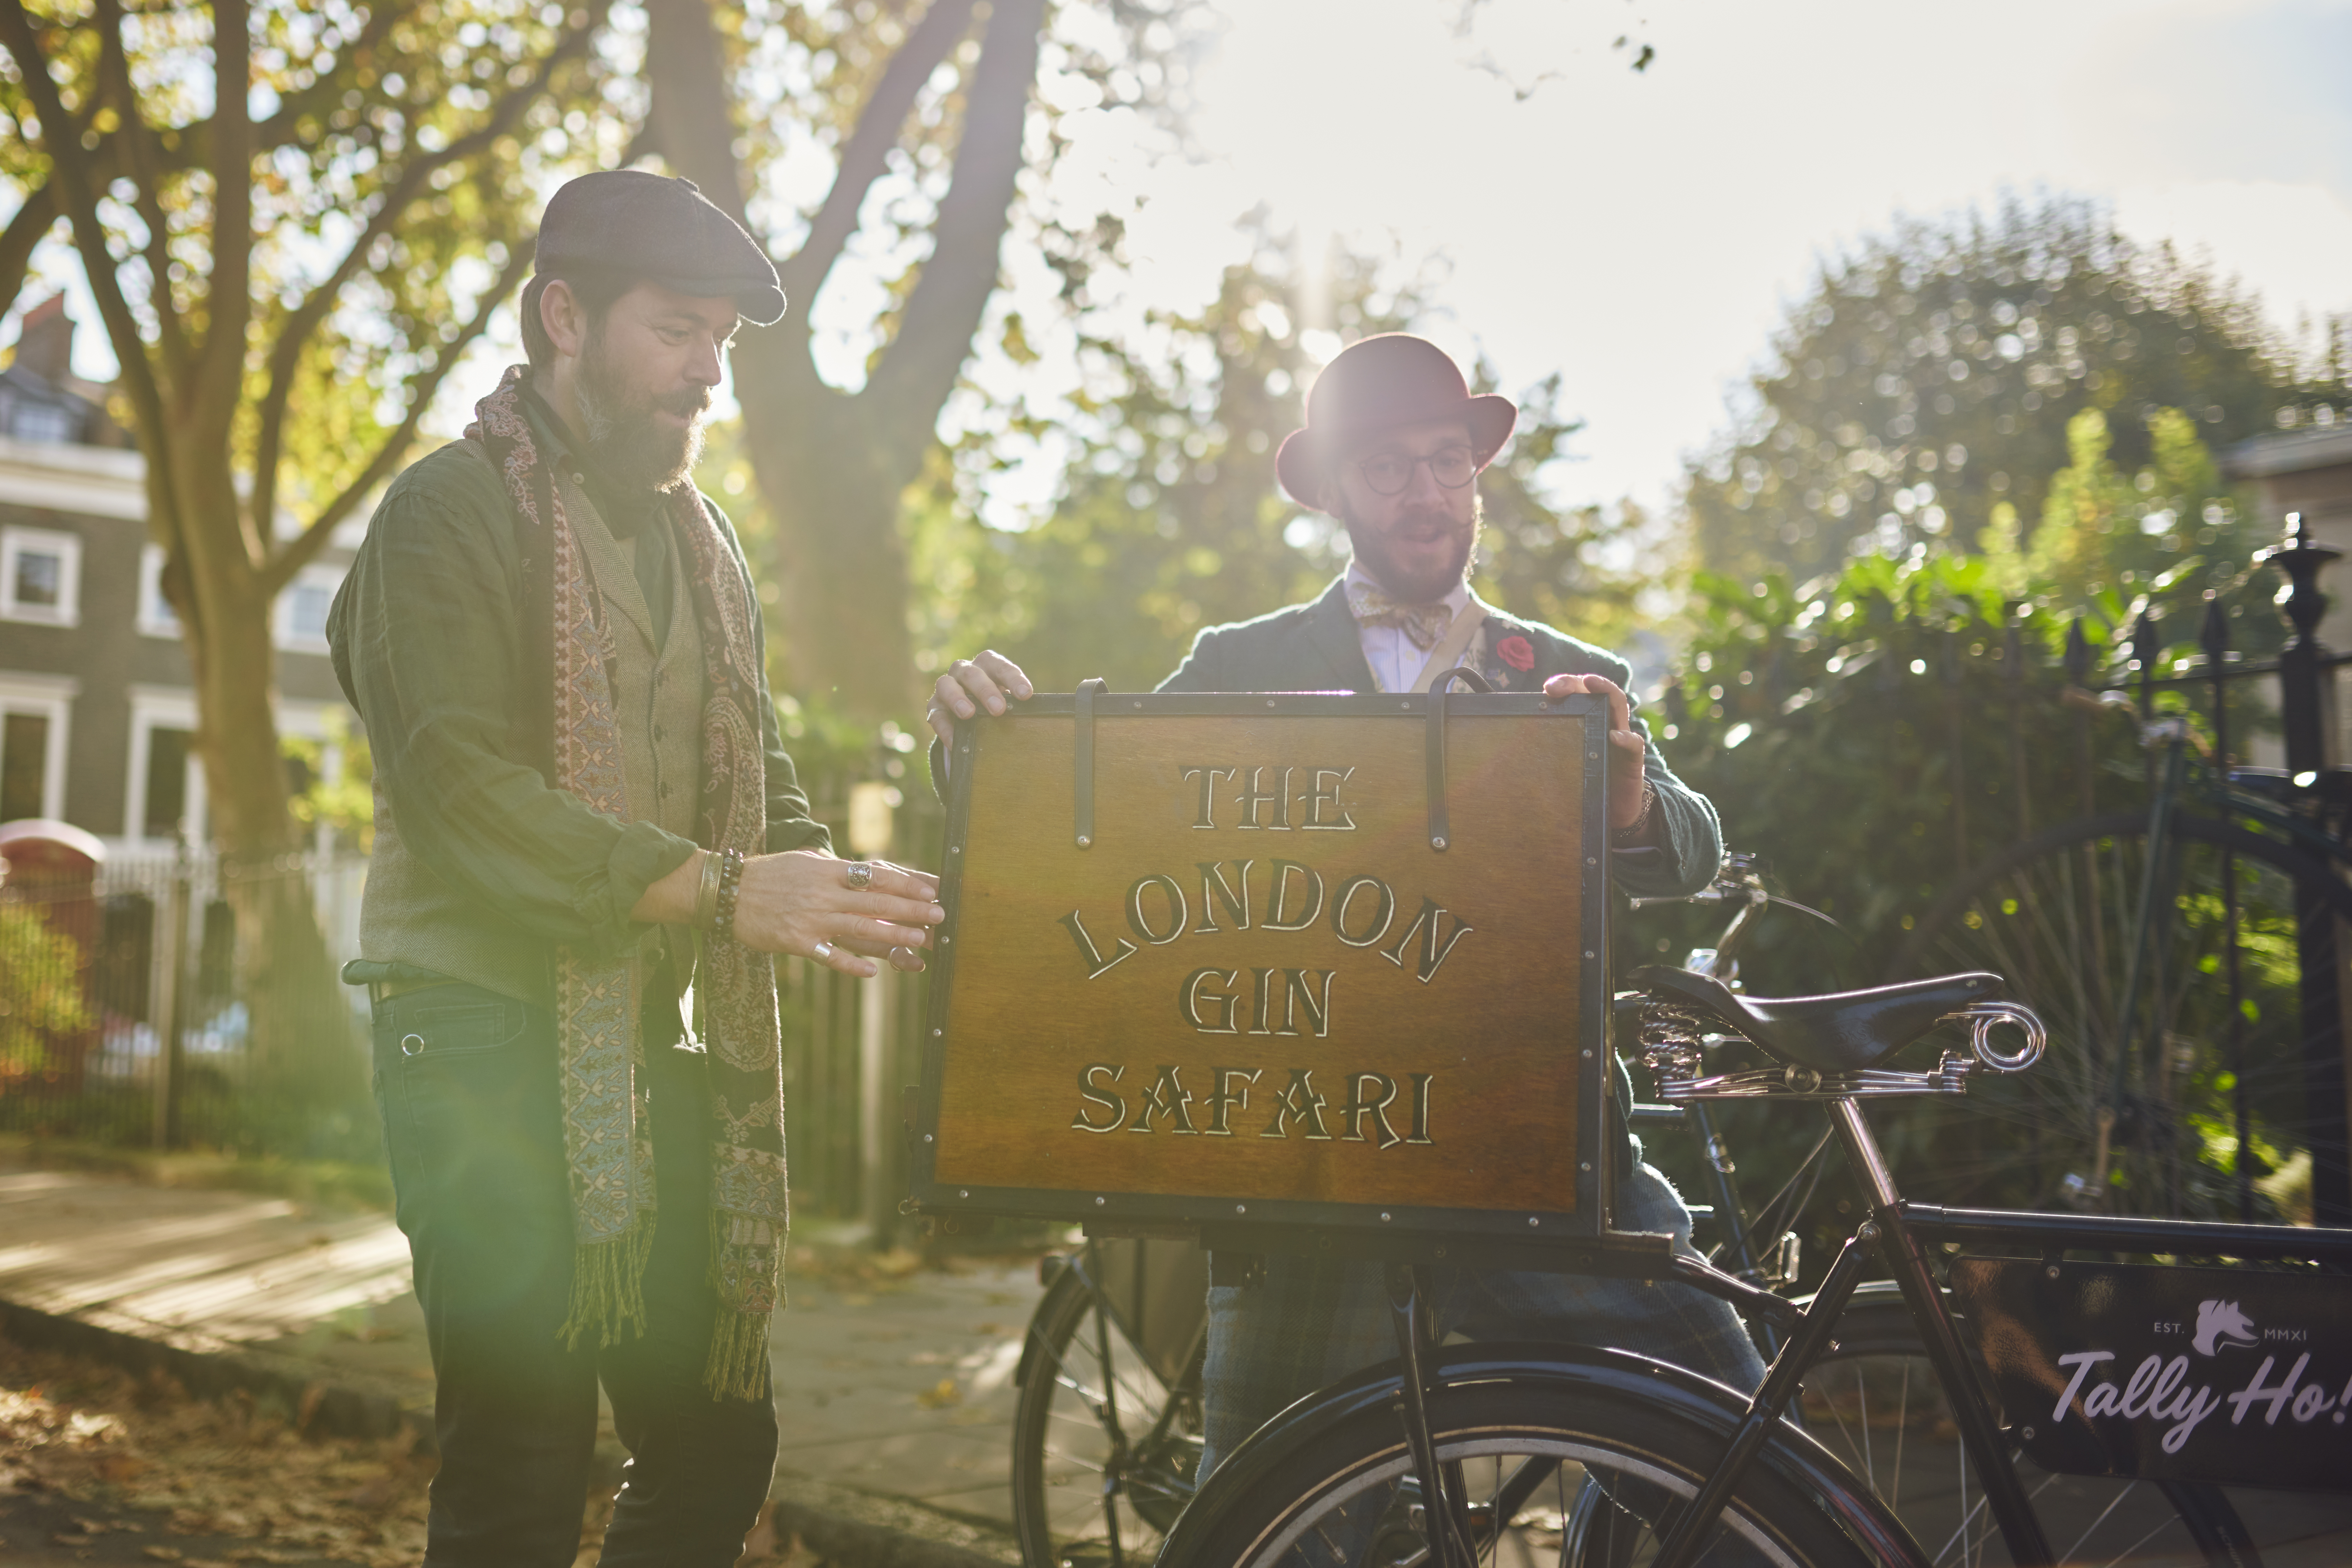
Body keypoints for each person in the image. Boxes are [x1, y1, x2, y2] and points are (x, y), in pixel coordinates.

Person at [923, 332, 1764, 1482]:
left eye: (1448, 462)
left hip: (1544, 1162)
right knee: (1272, 1521)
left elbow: (1695, 848)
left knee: (1737, 1452)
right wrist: (979, 746)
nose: (1427, 494)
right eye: (1389, 469)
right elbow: (1100, 832)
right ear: (1333, 491)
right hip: (1307, 1187)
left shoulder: (1561, 670)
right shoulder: (1238, 664)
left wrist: (1626, 803)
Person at [329, 169, 945, 1567]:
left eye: (721, 344)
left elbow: (763, 778)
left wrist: (830, 882)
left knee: (722, 1435)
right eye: (678, 333)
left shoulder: (707, 540)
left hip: (643, 1038)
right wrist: (729, 891)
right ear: (564, 316)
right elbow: (461, 794)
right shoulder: (446, 511)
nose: (706, 376)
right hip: (471, 1031)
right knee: (523, 1459)